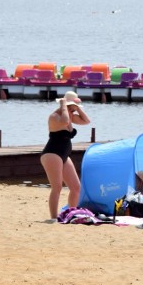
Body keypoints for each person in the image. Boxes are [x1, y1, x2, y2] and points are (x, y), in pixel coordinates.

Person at [40, 91, 91, 220]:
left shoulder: (70, 115)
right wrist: (63, 105)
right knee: (57, 187)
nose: (76, 108)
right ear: (68, 104)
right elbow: (64, 121)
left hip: (64, 154)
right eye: (75, 105)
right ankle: (53, 217)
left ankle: (70, 214)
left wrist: (77, 108)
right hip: (52, 153)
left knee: (76, 187)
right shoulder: (55, 116)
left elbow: (86, 121)